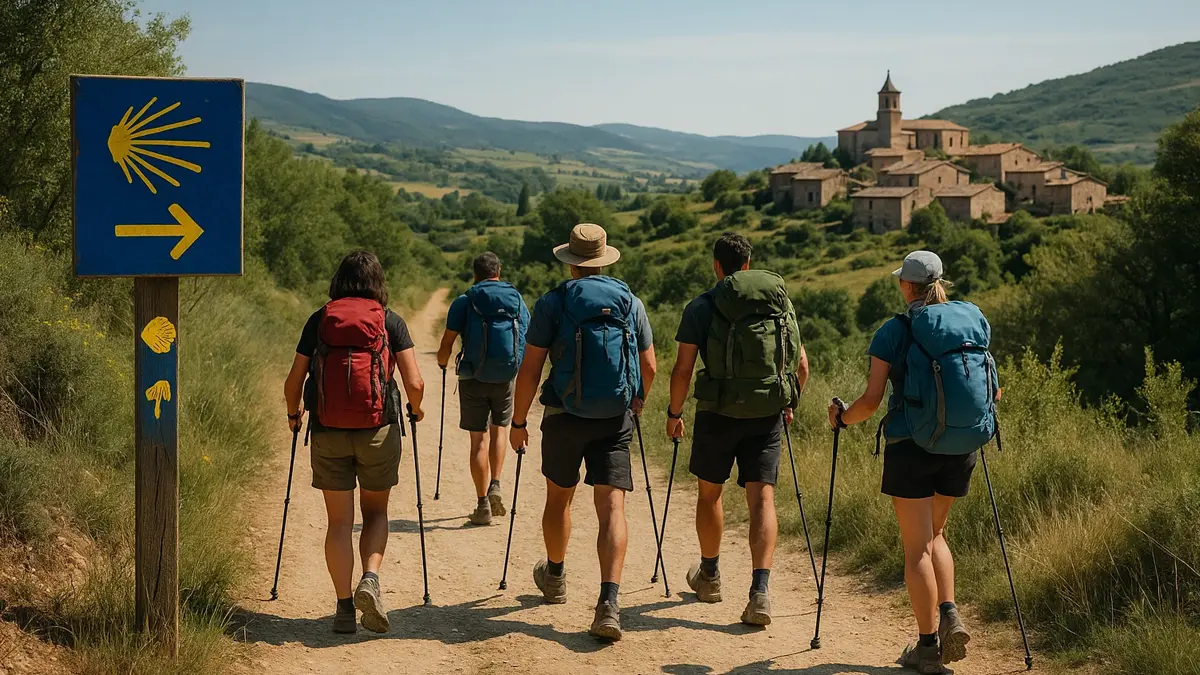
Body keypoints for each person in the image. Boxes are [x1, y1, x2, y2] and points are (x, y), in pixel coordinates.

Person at [828, 251, 996, 674]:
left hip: (910, 447)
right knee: (937, 533)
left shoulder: (893, 331)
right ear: (941, 283)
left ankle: (927, 649)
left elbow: (871, 401)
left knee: (917, 546)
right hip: (961, 447)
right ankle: (950, 614)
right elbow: (992, 391)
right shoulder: (971, 320)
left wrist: (842, 418)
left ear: (907, 286)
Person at [510, 223, 656, 642]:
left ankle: (555, 576)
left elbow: (530, 369)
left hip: (564, 414)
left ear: (571, 263)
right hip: (614, 417)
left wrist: (518, 422)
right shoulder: (630, 302)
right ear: (604, 260)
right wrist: (637, 401)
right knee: (612, 507)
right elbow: (649, 366)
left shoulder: (553, 303)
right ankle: (608, 602)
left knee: (559, 498)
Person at [666, 232, 809, 627]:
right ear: (748, 264)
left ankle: (710, 576)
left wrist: (674, 413)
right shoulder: (778, 303)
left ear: (717, 266)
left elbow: (682, 369)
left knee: (710, 495)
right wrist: (788, 403)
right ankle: (760, 592)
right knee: (761, 499)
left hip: (716, 412)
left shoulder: (701, 307)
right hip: (766, 414)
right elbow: (801, 366)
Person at [283, 250, 425, 636]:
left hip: (328, 430)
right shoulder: (390, 321)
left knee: (339, 522)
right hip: (378, 430)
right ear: (378, 282)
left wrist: (295, 415)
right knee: (375, 512)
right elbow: (414, 383)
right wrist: (416, 410)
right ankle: (371, 579)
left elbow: (294, 381)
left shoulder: (320, 320)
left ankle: (344, 608)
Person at [437, 252, 530, 526]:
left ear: (475, 274)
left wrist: (442, 363)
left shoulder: (465, 301)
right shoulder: (516, 299)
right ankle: (496, 484)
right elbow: (527, 337)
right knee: (499, 429)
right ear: (498, 271)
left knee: (478, 440)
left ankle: (482, 505)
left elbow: (447, 342)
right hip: (504, 377)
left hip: (472, 377)